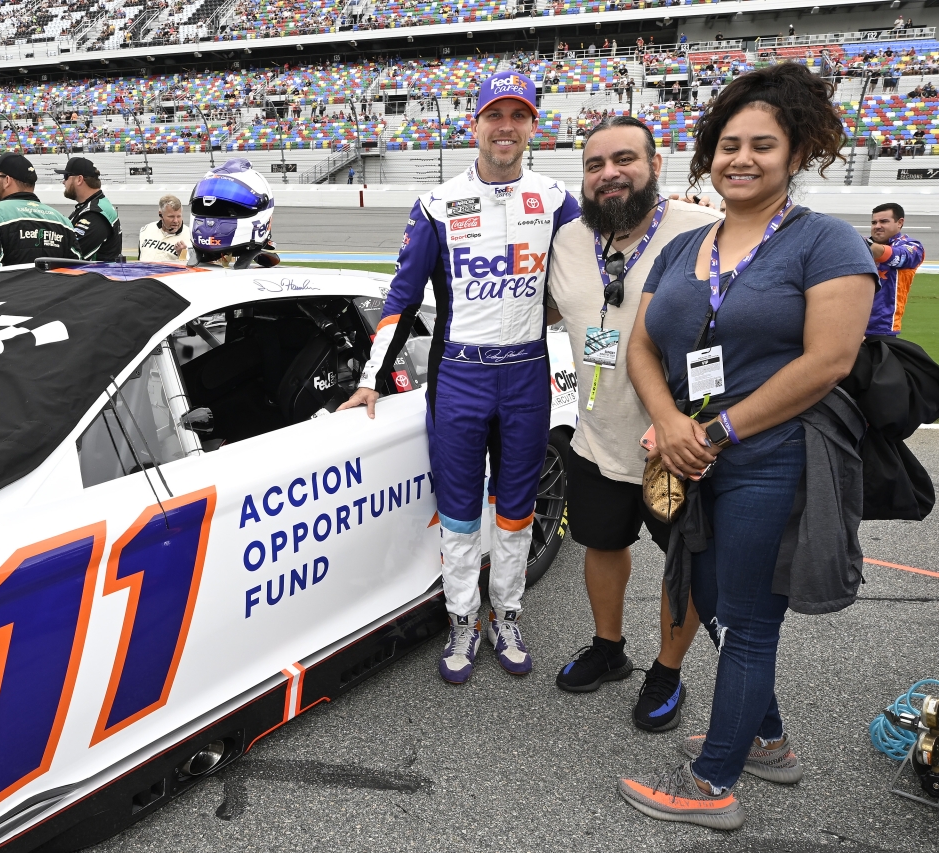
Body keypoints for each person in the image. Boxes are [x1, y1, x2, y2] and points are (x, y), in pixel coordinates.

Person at [617, 62, 877, 830]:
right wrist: (668, 420)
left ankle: (711, 784)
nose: (742, 158)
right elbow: (641, 346)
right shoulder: (684, 246)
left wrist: (718, 430)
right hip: (693, 454)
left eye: (763, 144)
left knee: (750, 620)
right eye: (728, 144)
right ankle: (766, 738)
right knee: (716, 601)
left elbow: (826, 363)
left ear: (797, 153)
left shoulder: (826, 242)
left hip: (773, 456)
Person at [339, 71, 581, 684]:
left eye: (518, 116)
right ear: (474, 125)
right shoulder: (437, 203)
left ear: (532, 126)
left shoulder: (556, 200)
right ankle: (461, 618)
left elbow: (586, 277)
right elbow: (401, 296)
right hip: (460, 377)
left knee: (518, 507)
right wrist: (372, 377)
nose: (506, 127)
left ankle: (507, 612)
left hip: (528, 373)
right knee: (458, 509)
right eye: (494, 116)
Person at [544, 116, 722, 731]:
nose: (609, 174)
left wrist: (697, 422)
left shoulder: (704, 231)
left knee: (687, 563)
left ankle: (667, 670)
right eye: (595, 165)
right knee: (601, 544)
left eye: (624, 160)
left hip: (677, 444)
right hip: (597, 436)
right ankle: (609, 647)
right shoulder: (567, 240)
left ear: (656, 167)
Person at [0, 152, 80, 270]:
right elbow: (76, 269)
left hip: (11, 289)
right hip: (55, 288)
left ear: (7, 180)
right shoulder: (63, 220)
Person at [866, 202, 925, 336]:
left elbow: (895, 256)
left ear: (900, 222)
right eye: (874, 222)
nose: (877, 226)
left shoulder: (912, 246)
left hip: (882, 327)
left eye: (884, 221)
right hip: (848, 321)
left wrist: (857, 242)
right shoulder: (864, 244)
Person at [56, 157, 124, 262]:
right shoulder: (92, 206)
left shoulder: (95, 214)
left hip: (97, 277)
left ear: (79, 179)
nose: (63, 181)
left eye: (66, 176)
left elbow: (71, 255)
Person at [137, 195, 193, 263]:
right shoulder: (146, 230)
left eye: (179, 216)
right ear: (160, 215)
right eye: (171, 216)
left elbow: (193, 269)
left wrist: (182, 255)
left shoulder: (191, 237)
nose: (176, 220)